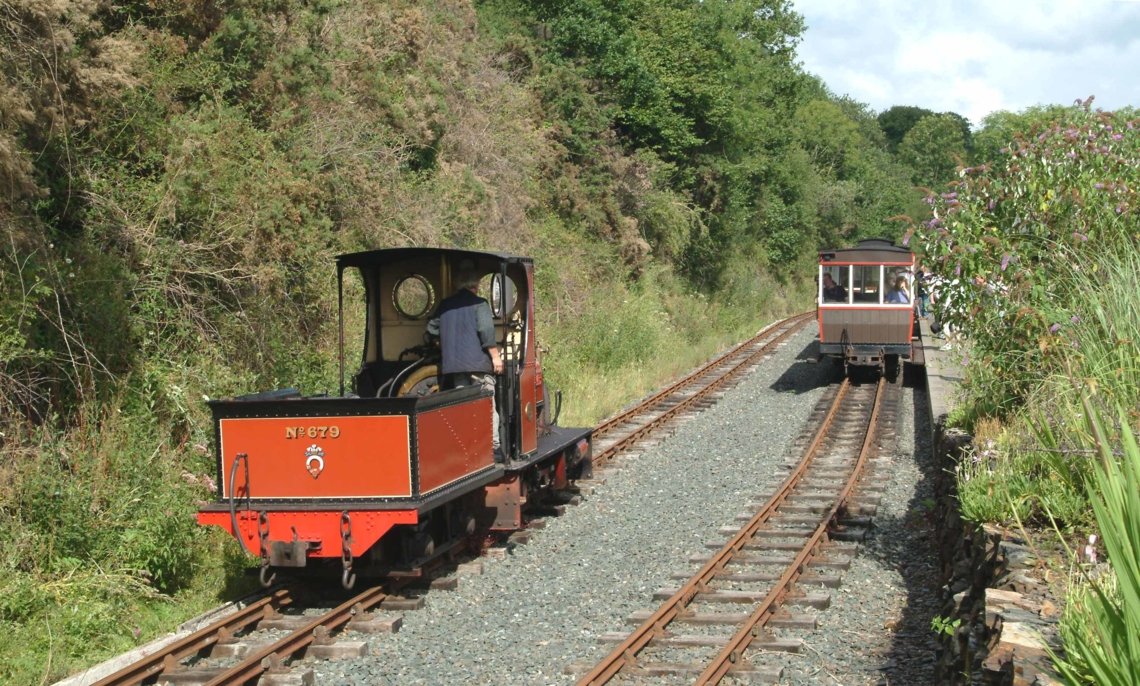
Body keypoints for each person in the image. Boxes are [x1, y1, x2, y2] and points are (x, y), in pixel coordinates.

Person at [428, 270, 503, 457]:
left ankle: (467, 448)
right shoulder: (479, 304)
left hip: (454, 366)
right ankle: (492, 447)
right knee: (486, 406)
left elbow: (431, 327)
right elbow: (486, 331)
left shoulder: (446, 305)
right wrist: (495, 356)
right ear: (475, 286)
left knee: (463, 408)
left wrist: (441, 340)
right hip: (478, 365)